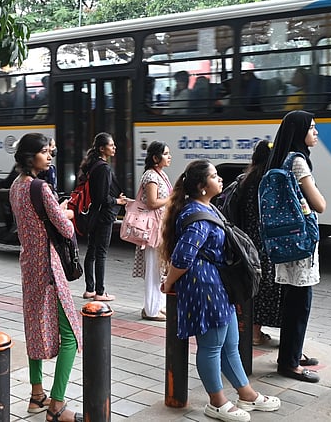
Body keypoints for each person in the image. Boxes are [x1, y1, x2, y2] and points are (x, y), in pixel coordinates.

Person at [160, 159, 280, 422]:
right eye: (215, 176)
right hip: (204, 287)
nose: (221, 179)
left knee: (230, 344)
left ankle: (246, 393)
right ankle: (216, 402)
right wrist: (169, 284)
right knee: (212, 346)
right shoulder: (197, 216)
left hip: (216, 285)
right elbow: (182, 257)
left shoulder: (207, 207)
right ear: (203, 186)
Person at [9, 133, 83, 422]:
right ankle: (57, 405)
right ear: (30, 157)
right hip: (49, 268)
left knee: (34, 329)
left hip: (29, 266)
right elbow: (65, 230)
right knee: (71, 336)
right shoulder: (40, 187)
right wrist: (68, 215)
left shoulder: (16, 186)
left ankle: (36, 394)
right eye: (44, 152)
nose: (49, 156)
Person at [266, 110, 325, 383]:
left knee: (292, 300)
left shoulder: (280, 157)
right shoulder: (298, 161)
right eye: (312, 128)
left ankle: (292, 353)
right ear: (300, 131)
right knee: (300, 304)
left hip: (285, 239)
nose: (316, 132)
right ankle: (290, 364)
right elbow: (319, 204)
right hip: (300, 242)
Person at [233, 140, 283, 346]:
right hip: (264, 243)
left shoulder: (245, 179)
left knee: (252, 285)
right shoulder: (269, 181)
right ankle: (254, 334)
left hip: (246, 240)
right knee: (264, 287)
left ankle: (248, 329)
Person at [80, 132, 128, 302]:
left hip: (94, 215)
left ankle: (90, 289)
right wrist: (118, 200)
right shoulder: (104, 167)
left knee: (92, 251)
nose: (114, 147)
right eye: (111, 145)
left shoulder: (93, 165)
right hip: (104, 216)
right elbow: (102, 198)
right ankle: (100, 292)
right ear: (102, 148)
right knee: (101, 253)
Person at [133, 141, 172, 321]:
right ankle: (150, 309)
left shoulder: (160, 174)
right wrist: (172, 198)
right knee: (154, 269)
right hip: (152, 229)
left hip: (160, 227)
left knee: (160, 267)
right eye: (165, 154)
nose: (169, 157)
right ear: (156, 158)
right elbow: (152, 202)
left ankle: (159, 305)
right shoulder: (151, 176)